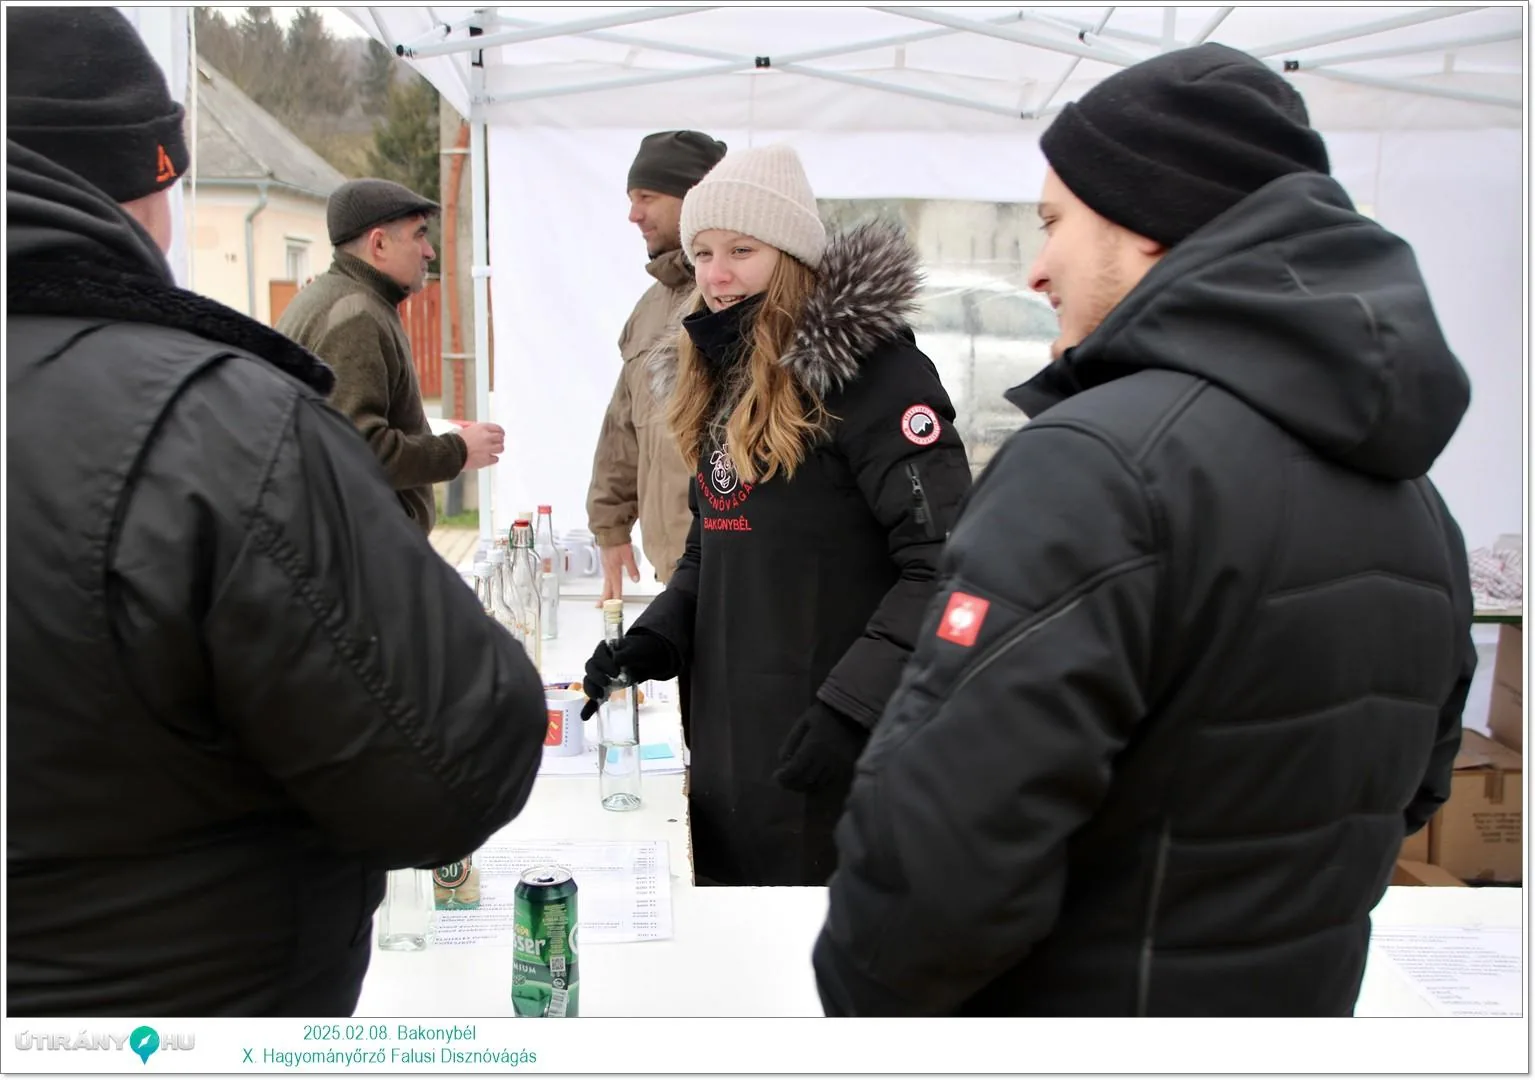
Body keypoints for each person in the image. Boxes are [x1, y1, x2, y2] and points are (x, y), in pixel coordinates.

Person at [813, 43, 1476, 1017]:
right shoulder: (1415, 497)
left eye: (1053, 223)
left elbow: (938, 851)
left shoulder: (1096, 464)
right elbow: (1409, 791)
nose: (1035, 269)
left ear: (1148, 226)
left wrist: (862, 1000)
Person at [6, 6, 549, 1016]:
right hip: (195, 1008)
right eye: (420, 238)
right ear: (148, 185)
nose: (429, 254)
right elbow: (452, 763)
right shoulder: (222, 418)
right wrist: (442, 469)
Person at [580, 145, 973, 886]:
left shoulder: (877, 376)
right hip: (732, 742)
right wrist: (656, 637)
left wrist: (852, 706)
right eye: (702, 253)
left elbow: (948, 564)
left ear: (791, 257)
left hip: (841, 742)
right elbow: (714, 545)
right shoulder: (716, 372)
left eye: (741, 250)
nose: (716, 275)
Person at [276, 177, 504, 536]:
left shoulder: (341, 299)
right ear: (379, 244)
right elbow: (359, 450)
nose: (429, 252)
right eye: (419, 235)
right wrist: (457, 451)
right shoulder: (355, 316)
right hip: (356, 551)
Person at [588, 130, 728, 603]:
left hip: (737, 571)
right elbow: (623, 424)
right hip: (676, 575)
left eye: (647, 197)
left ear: (695, 198)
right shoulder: (649, 308)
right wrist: (610, 525)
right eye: (632, 199)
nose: (634, 214)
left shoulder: (734, 296)